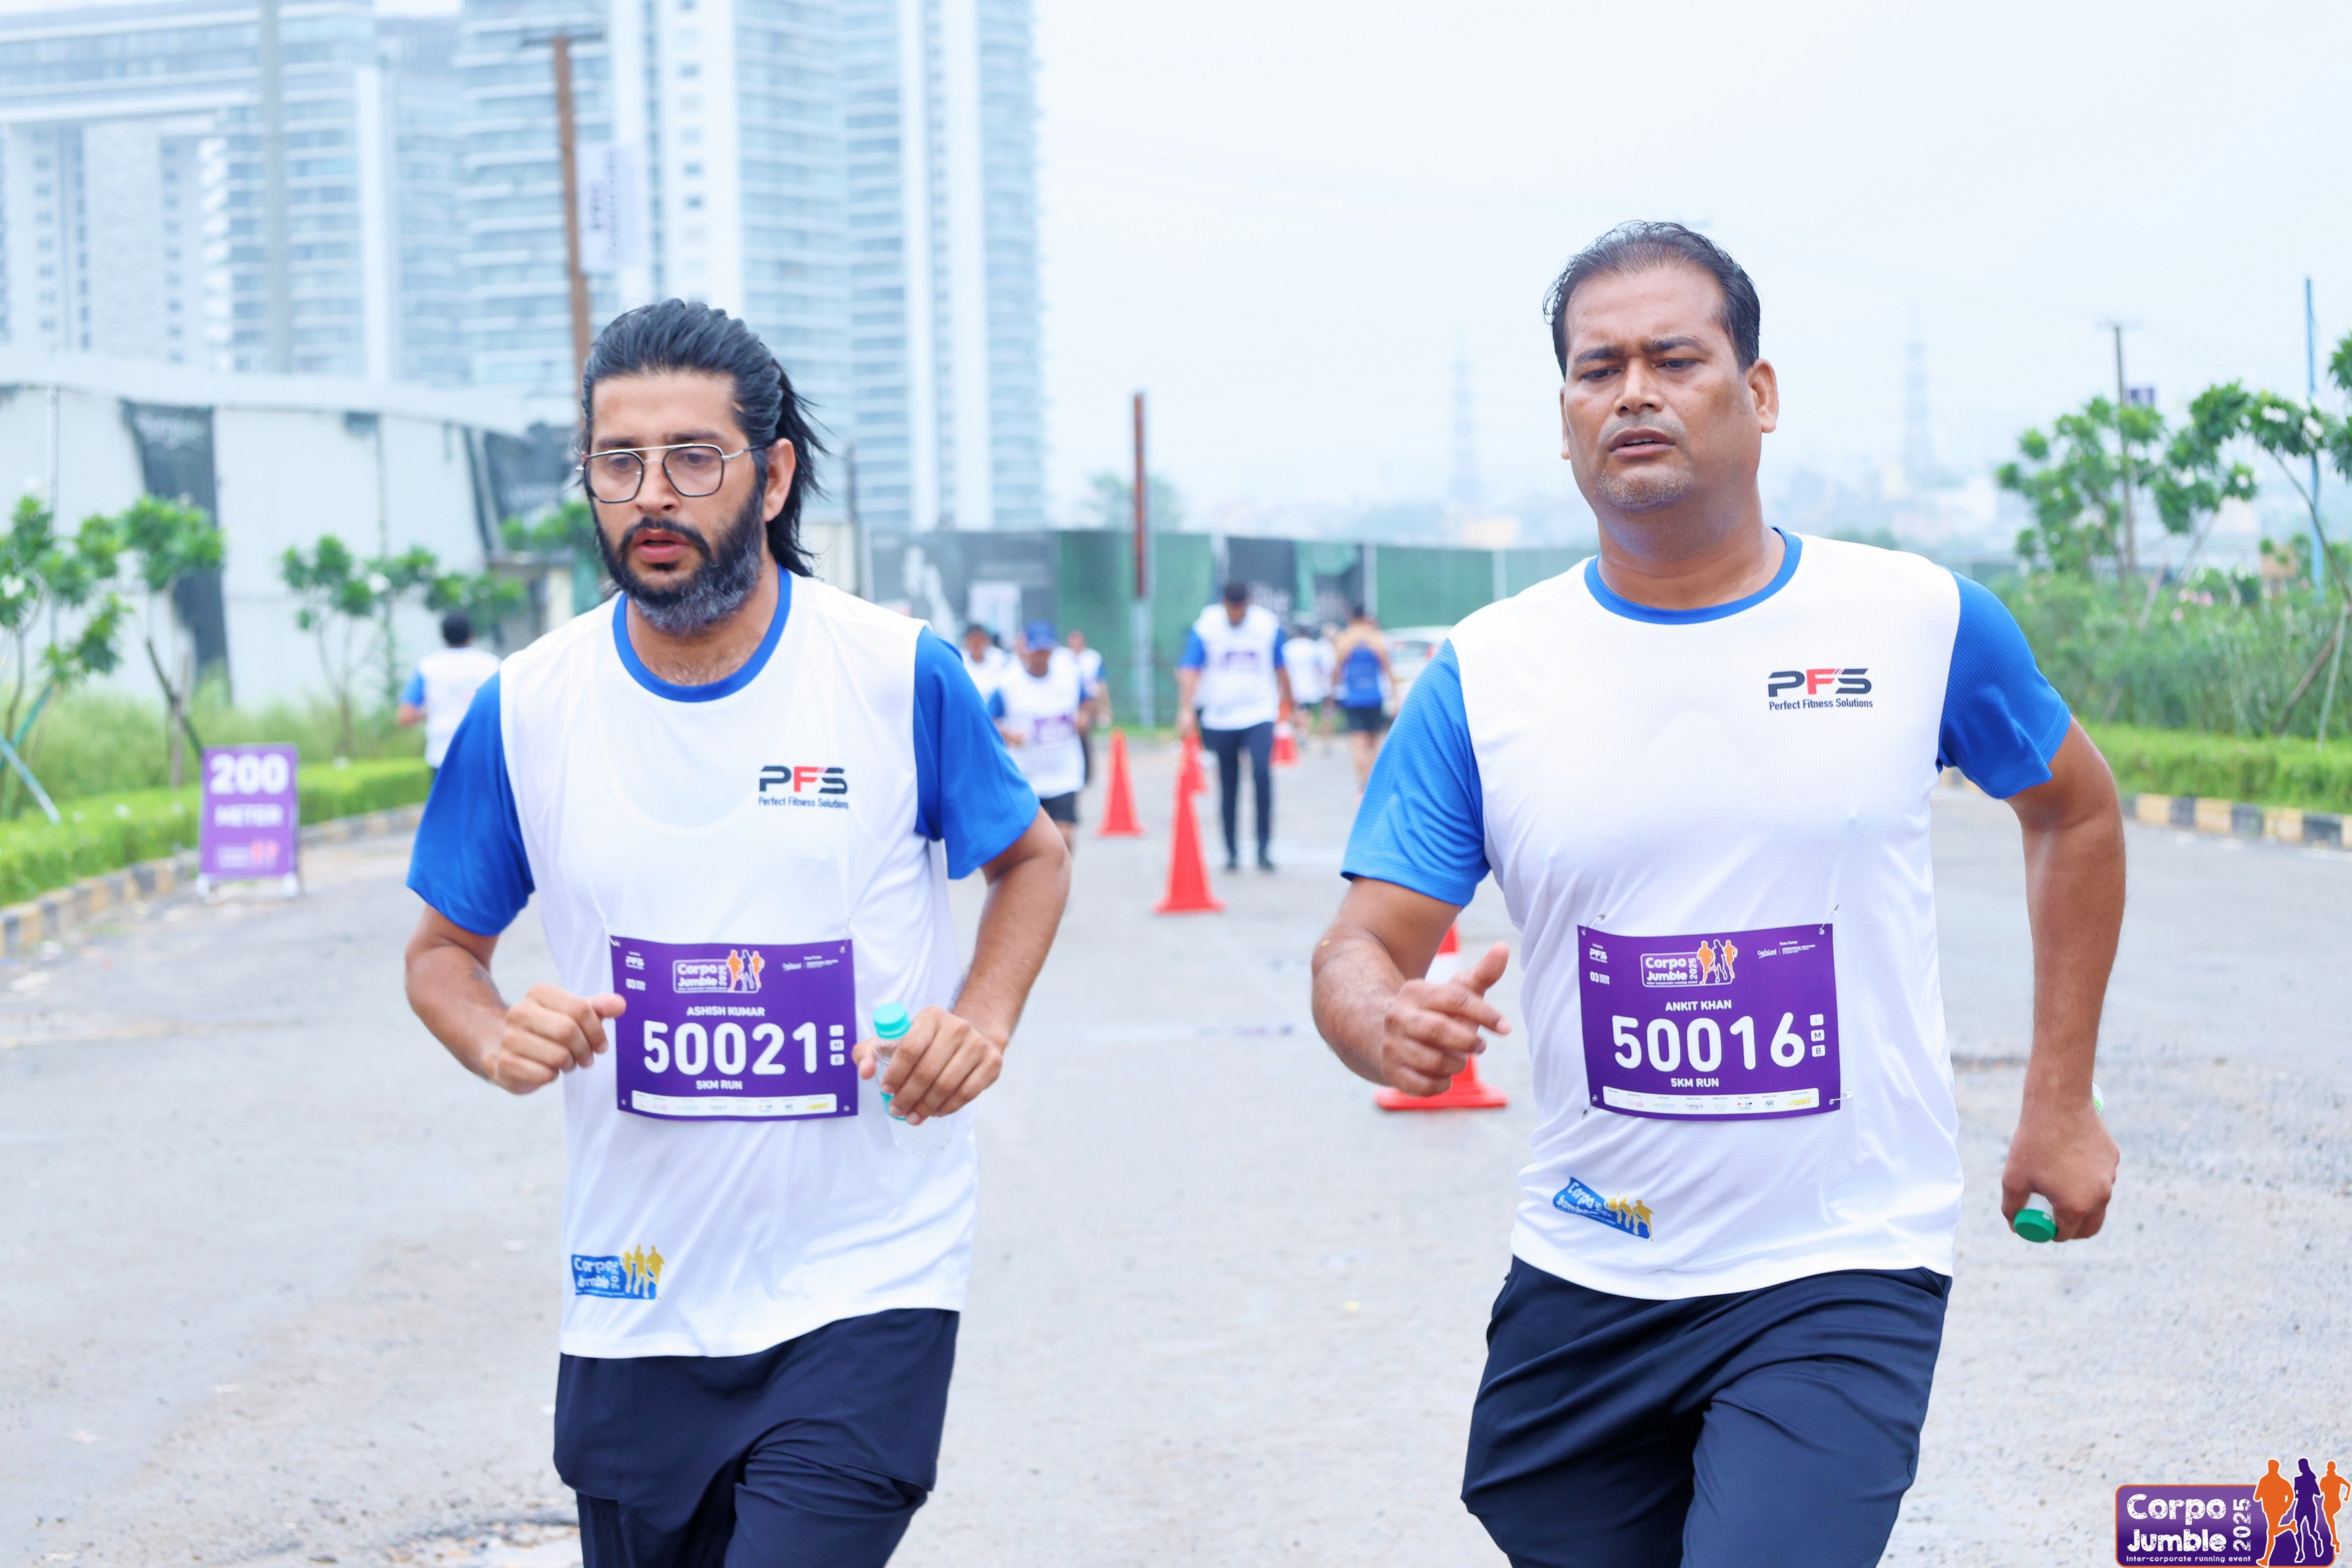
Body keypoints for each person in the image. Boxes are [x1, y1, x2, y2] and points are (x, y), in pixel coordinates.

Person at [1308, 222, 2122, 1568]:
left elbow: (2075, 809)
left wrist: (2061, 1097)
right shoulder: (1489, 672)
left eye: (1674, 359)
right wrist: (1376, 1016)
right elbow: (1359, 944)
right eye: (1597, 369)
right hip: (1592, 1260)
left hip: (1840, 1262)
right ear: (1565, 418)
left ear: (1759, 392)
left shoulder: (1915, 621)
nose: (1633, 391)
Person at [400, 299, 1071, 1568]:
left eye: (693, 458)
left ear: (771, 477)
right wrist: (495, 1038)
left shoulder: (892, 674)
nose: (652, 494)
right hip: (636, 1291)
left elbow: (1031, 858)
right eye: (619, 461)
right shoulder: (528, 706)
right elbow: (441, 953)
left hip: (866, 1280)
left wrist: (979, 1024)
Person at [1177, 580, 1293, 873]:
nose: (1236, 614)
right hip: (1220, 716)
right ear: (1224, 604)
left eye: (1240, 608)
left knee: (1262, 774)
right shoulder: (1207, 626)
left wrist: (1292, 705)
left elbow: (1281, 667)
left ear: (1249, 604)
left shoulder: (1267, 625)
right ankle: (1231, 851)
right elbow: (1190, 669)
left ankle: (1263, 848)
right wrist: (1187, 709)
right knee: (1228, 783)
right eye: (1231, 608)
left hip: (1259, 713)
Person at [993, 619, 1087, 854]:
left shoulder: (1069, 676)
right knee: (1034, 843)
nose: (1042, 657)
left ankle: (1062, 875)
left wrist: (1084, 718)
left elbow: (1087, 702)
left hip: (1064, 772)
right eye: (1037, 651)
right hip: (1027, 775)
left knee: (1065, 837)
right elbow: (987, 718)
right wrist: (1008, 735)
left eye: (1047, 651)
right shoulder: (1009, 684)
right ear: (1026, 648)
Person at [397, 610, 501, 770]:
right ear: (471, 635)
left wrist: (430, 710)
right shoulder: (493, 665)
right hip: (485, 754)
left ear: (443, 637)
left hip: (442, 754)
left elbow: (406, 717)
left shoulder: (427, 667)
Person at [1330, 607, 1391, 791]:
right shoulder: (1375, 638)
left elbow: (1337, 669)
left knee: (1358, 742)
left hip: (1354, 697)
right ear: (1366, 618)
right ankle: (1374, 782)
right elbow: (1387, 668)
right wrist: (1395, 693)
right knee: (1374, 741)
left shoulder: (1344, 639)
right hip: (1374, 696)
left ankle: (1363, 784)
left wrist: (1332, 691)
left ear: (1350, 616)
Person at [1064, 628, 1109, 785]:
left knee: (1085, 737)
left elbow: (1101, 684)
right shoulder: (1063, 658)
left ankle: (1087, 773)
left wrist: (1104, 708)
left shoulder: (1093, 658)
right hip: (1069, 703)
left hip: (1088, 702)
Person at [1283, 621, 1334, 746]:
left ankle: (1300, 733)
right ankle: (1305, 733)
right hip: (1311, 685)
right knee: (1308, 712)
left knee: (1296, 710)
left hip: (1293, 686)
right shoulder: (1313, 647)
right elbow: (1323, 667)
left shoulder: (1288, 647)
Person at [960, 620, 1013, 704]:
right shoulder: (959, 660)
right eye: (972, 640)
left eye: (980, 640)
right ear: (966, 642)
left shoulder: (1000, 658)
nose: (976, 644)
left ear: (987, 641)